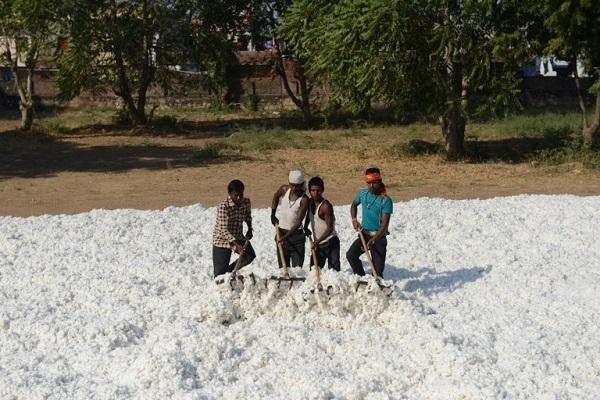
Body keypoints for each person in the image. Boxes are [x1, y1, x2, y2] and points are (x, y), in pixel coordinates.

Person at [346, 167, 393, 277]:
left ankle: (375, 281)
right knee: (351, 255)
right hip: (364, 234)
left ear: (380, 182)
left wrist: (374, 240)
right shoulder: (363, 194)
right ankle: (362, 277)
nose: (371, 186)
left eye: (374, 183)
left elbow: (384, 225)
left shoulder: (386, 200)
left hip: (379, 238)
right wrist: (354, 219)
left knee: (377, 273)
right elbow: (354, 204)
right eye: (369, 183)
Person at [212, 179, 256, 278]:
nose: (239, 197)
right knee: (219, 274)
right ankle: (222, 277)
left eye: (241, 194)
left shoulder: (246, 202)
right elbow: (224, 230)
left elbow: (248, 216)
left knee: (249, 256)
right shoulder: (223, 207)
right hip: (222, 239)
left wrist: (249, 228)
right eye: (236, 195)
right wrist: (236, 246)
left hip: (237, 235)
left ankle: (228, 273)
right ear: (230, 194)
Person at [271, 170, 310, 268]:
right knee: (283, 269)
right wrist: (272, 214)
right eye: (292, 185)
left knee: (297, 270)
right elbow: (275, 197)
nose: (294, 188)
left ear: (302, 184)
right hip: (282, 232)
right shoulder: (284, 189)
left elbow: (298, 222)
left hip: (296, 238)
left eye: (297, 185)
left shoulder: (304, 199)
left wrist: (283, 238)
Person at [304, 176, 340, 271]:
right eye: (313, 190)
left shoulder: (326, 206)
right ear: (309, 191)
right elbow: (309, 215)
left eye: (318, 190)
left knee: (334, 272)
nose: (315, 193)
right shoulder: (310, 202)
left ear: (322, 190)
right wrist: (305, 227)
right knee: (314, 271)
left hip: (331, 242)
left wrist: (317, 242)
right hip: (318, 244)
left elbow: (330, 228)